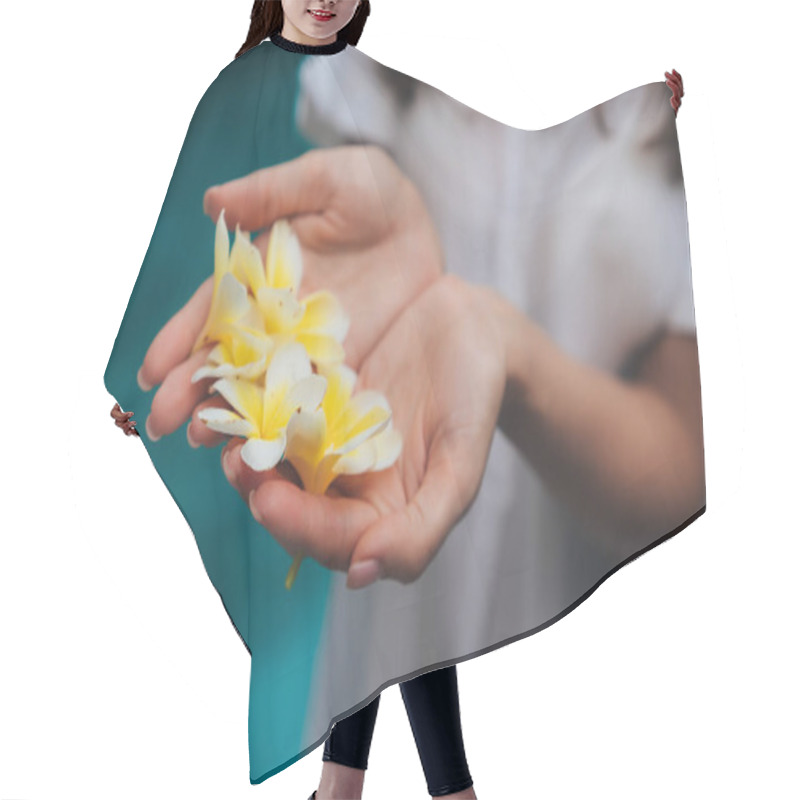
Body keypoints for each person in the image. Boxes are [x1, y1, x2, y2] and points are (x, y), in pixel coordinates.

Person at [111, 1, 698, 798]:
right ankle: (404, 789)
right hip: (289, 397)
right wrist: (136, 388)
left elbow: (524, 162)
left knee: (390, 582)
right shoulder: (232, 93)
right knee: (371, 585)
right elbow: (190, 238)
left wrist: (641, 117)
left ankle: (356, 789)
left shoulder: (370, 84)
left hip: (377, 383)